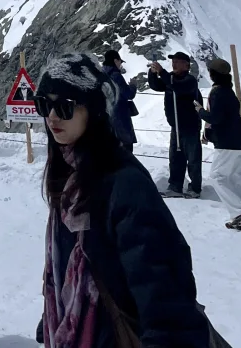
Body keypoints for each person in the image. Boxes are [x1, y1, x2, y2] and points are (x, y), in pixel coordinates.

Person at [36, 53, 211, 347]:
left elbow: (164, 295)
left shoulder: (124, 185)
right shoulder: (69, 177)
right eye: (44, 104)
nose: (51, 116)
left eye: (64, 106)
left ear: (93, 111)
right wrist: (55, 313)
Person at [196, 58, 241, 231]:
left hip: (226, 141)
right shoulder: (229, 91)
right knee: (234, 178)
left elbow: (216, 118)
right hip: (237, 139)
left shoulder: (218, 92)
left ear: (213, 74)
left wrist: (200, 111)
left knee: (217, 177)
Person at [147, 52, 203, 197]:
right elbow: (156, 85)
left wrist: (161, 72)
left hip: (190, 126)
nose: (174, 64)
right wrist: (153, 73)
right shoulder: (170, 79)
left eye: (178, 61)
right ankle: (175, 186)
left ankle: (195, 188)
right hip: (176, 126)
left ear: (186, 65)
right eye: (173, 61)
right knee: (175, 158)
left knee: (193, 159)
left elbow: (176, 86)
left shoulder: (190, 81)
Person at [102, 50, 138, 151]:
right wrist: (133, 85)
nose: (120, 64)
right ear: (115, 60)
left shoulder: (101, 74)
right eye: (120, 61)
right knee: (125, 154)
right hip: (120, 120)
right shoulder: (115, 75)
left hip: (107, 120)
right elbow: (128, 94)